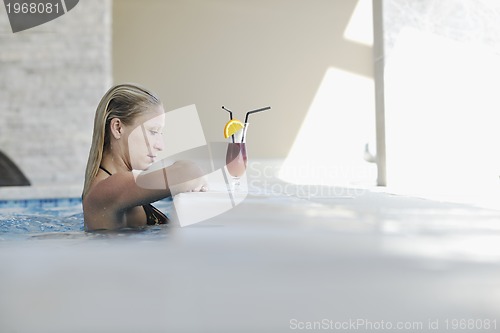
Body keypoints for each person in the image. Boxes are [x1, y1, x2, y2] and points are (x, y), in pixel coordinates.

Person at [82, 83, 207, 231]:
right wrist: (185, 168)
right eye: (153, 131)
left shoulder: (120, 186)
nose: (160, 146)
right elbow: (187, 174)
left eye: (161, 133)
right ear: (117, 128)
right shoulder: (107, 188)